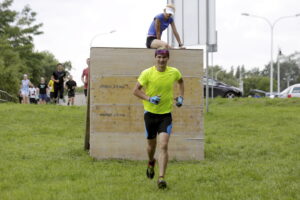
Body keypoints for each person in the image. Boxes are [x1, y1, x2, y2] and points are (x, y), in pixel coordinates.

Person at [133, 48, 184, 189]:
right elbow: (135, 90)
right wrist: (149, 98)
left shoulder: (174, 72)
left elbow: (180, 82)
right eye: (159, 57)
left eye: (164, 57)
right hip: (149, 115)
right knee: (151, 146)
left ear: (168, 58)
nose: (161, 60)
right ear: (155, 58)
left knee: (163, 145)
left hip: (165, 115)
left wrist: (181, 96)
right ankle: (151, 161)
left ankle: (161, 178)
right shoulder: (147, 73)